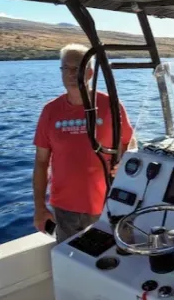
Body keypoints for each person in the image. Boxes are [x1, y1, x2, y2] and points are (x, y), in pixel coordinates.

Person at [32, 44, 134, 241]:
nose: (71, 74)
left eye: (77, 68)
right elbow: (41, 161)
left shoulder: (110, 105)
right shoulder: (50, 111)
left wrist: (124, 159)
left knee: (115, 256)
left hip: (110, 204)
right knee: (69, 258)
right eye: (66, 68)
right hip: (65, 210)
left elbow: (129, 142)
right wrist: (39, 207)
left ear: (90, 73)